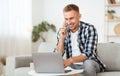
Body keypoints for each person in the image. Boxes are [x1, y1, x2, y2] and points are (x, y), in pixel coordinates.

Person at [55, 4, 105, 76]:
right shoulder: (62, 31)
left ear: (79, 16)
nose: (68, 22)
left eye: (71, 18)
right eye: (66, 19)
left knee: (88, 64)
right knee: (57, 65)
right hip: (72, 65)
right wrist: (62, 38)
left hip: (90, 62)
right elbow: (58, 55)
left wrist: (70, 60)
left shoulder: (89, 29)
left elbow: (89, 53)